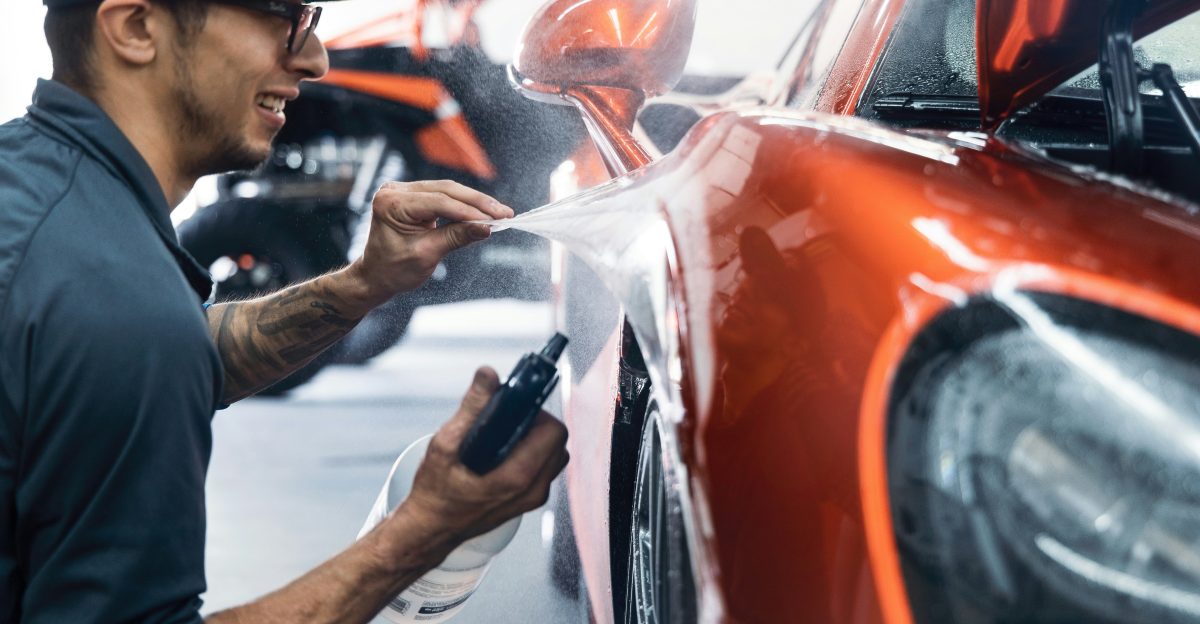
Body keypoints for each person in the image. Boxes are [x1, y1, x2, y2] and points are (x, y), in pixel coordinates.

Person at [0, 0, 569, 621]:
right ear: (136, 28)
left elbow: (164, 355)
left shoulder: (35, 192)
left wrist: (362, 284)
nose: (314, 58)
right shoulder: (117, 297)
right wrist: (424, 533)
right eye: (285, 19)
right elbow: (139, 343)